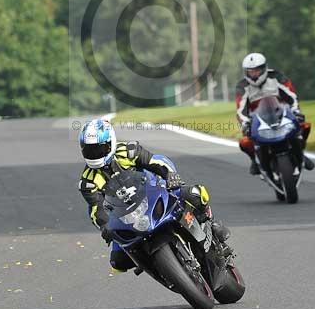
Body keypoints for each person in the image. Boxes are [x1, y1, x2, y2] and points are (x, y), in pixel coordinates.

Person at [77, 117, 230, 272]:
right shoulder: (88, 182)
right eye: (89, 150)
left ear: (111, 142)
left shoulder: (128, 151)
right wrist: (105, 225)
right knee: (118, 263)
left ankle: (211, 222)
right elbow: (96, 209)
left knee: (195, 193)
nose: (94, 154)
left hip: (156, 191)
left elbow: (157, 161)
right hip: (125, 216)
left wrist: (170, 175)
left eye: (98, 149)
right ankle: (159, 266)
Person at [235, 52, 315, 175]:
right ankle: (255, 160)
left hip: (280, 112)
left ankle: (300, 153)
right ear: (245, 72)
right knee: (245, 142)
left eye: (257, 70)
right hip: (257, 119)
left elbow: (292, 95)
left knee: (304, 126)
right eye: (250, 71)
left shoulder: (276, 77)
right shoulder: (242, 86)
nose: (254, 74)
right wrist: (245, 123)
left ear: (264, 68)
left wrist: (296, 110)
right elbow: (240, 109)